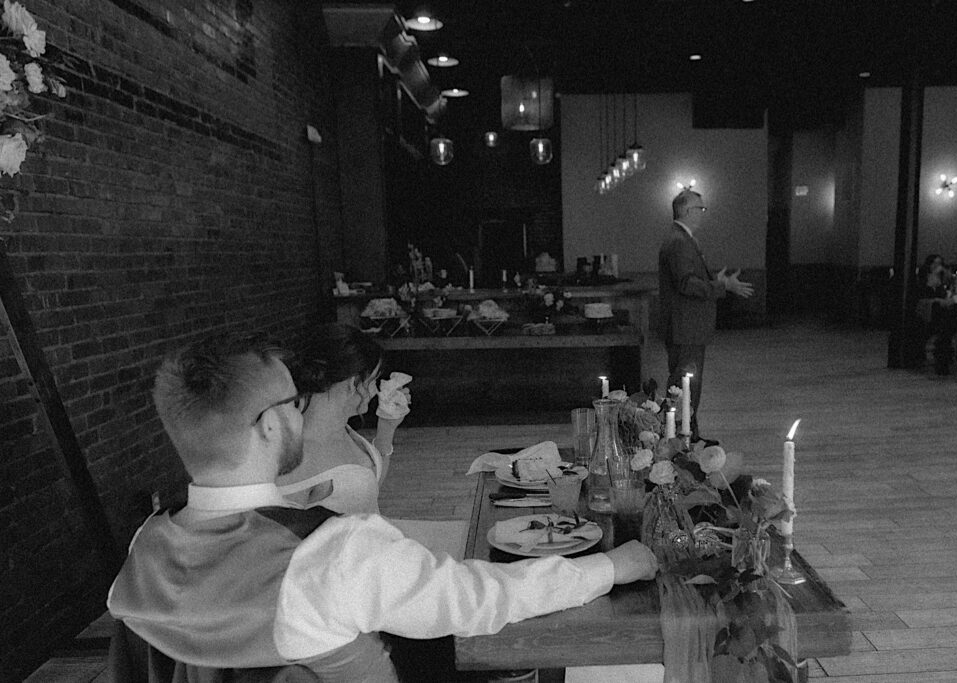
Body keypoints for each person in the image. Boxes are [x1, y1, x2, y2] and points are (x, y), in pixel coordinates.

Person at [107, 331, 658, 681]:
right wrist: (615, 565)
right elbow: (482, 600)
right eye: (291, 402)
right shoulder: (333, 552)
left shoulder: (145, 547)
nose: (301, 411)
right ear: (271, 424)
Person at [658, 189, 753, 441]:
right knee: (684, 385)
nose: (702, 213)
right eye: (700, 209)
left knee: (689, 386)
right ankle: (679, 440)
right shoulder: (679, 241)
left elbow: (689, 280)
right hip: (685, 326)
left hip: (688, 326)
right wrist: (723, 286)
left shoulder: (681, 239)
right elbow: (687, 284)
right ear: (686, 211)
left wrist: (715, 280)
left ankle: (689, 437)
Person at [276, 326, 403, 514]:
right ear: (353, 383)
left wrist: (387, 428)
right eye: (373, 381)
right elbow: (280, 531)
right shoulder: (297, 455)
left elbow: (367, 491)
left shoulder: (343, 429)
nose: (375, 391)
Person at [908, 254, 955, 372]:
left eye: (939, 263)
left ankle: (944, 359)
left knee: (946, 323)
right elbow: (921, 297)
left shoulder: (941, 280)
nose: (937, 266)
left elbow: (944, 295)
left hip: (938, 313)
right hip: (924, 314)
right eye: (934, 263)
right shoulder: (922, 280)